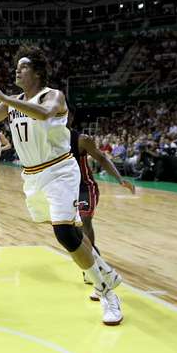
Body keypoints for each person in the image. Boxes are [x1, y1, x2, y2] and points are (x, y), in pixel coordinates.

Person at [0, 47, 124, 326]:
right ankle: (104, 270)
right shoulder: (13, 102)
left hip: (60, 171)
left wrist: (4, 98)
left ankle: (107, 293)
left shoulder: (53, 95)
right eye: (17, 67)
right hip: (32, 176)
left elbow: (44, 114)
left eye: (23, 67)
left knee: (64, 232)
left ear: (38, 72)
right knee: (74, 230)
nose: (17, 70)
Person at [68, 122, 136, 301]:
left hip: (85, 187)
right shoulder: (50, 138)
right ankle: (96, 265)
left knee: (84, 222)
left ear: (70, 116)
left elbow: (102, 159)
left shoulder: (82, 140)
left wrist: (120, 179)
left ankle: (96, 271)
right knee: (69, 230)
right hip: (65, 188)